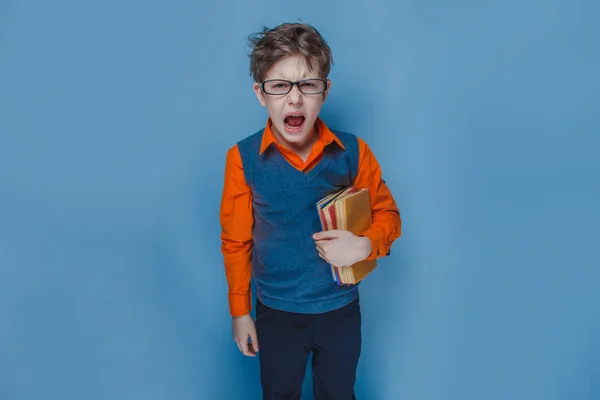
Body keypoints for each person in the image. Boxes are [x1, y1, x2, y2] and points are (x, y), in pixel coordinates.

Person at [219, 22, 401, 400]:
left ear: (325, 91)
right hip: (276, 313)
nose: (295, 99)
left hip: (340, 311)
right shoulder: (242, 160)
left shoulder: (354, 152)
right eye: (280, 85)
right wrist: (240, 312)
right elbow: (236, 241)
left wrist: (366, 245)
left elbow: (388, 216)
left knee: (338, 393)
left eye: (308, 84)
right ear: (260, 93)